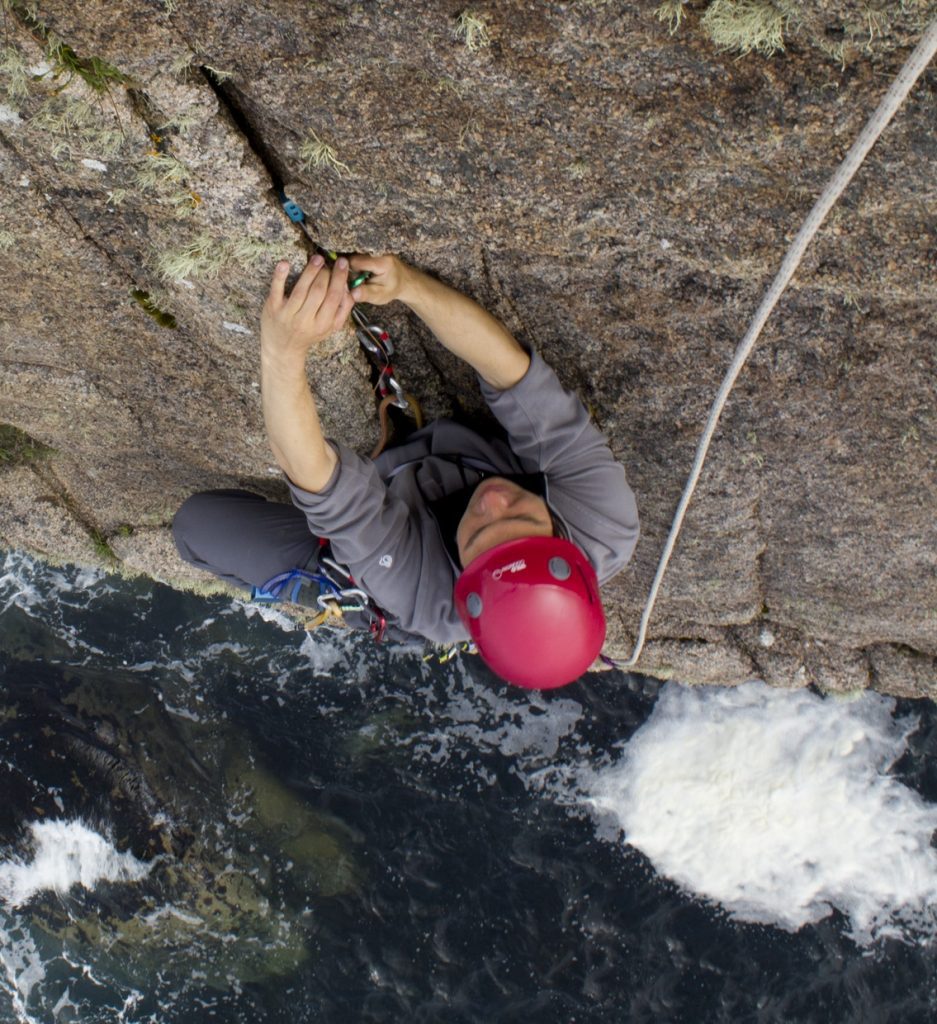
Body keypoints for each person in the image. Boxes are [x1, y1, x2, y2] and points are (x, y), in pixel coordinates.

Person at [173, 253, 639, 689]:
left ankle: (345, 594)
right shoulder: (602, 521)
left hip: (387, 576)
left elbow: (319, 481)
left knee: (197, 527)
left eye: (479, 535)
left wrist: (282, 352)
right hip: (439, 475)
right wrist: (408, 284)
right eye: (524, 520)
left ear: (464, 576)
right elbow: (513, 375)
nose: (495, 503)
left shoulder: (424, 593)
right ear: (562, 536)